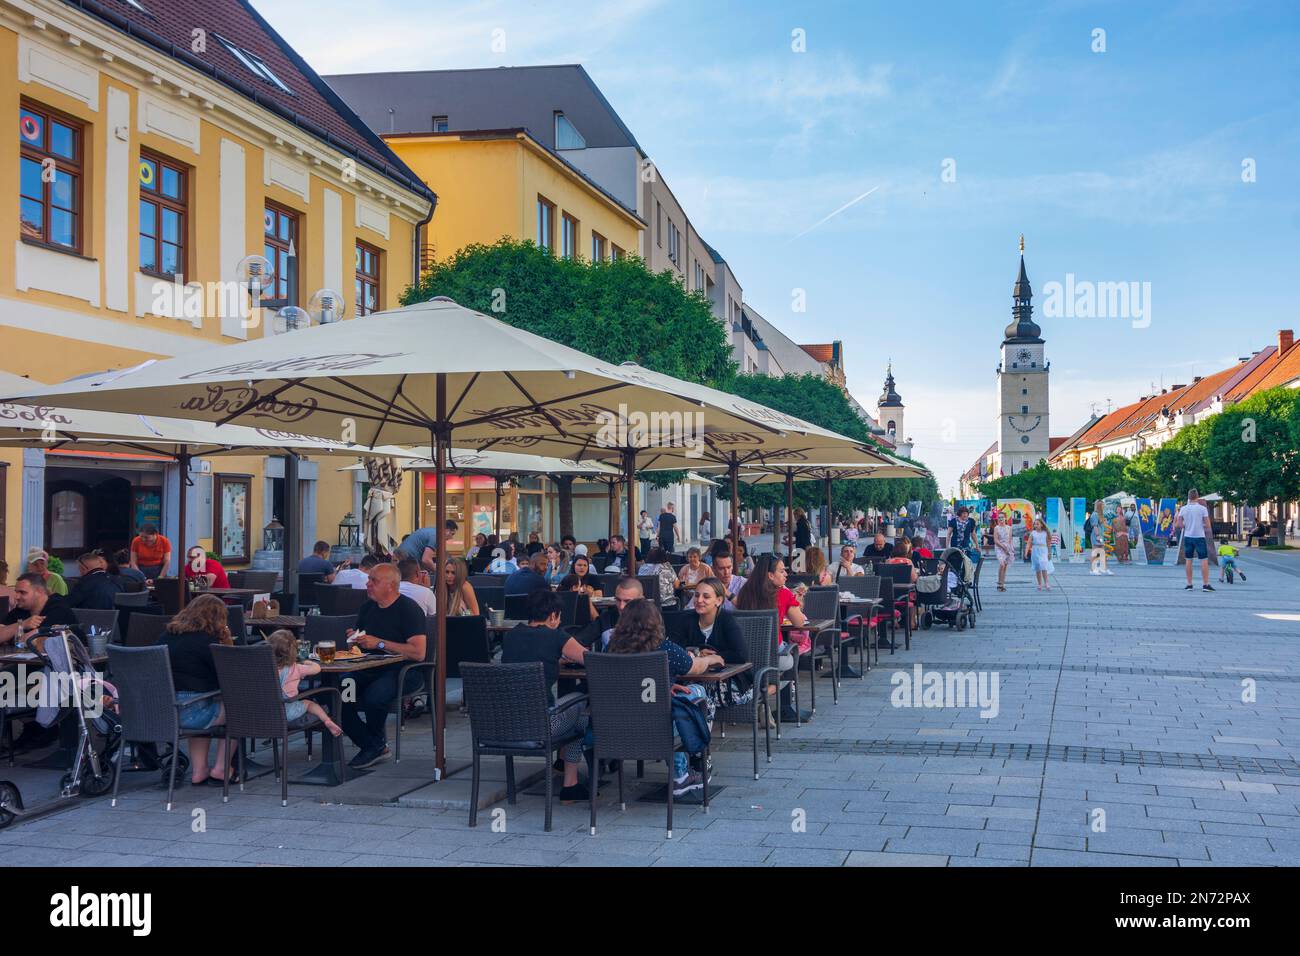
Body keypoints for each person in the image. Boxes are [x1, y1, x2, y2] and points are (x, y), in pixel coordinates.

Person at [611, 597, 719, 796]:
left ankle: (682, 773)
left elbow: (629, 685)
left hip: (616, 730)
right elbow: (695, 667)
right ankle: (689, 765)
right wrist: (712, 658)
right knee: (697, 692)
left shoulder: (610, 649)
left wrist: (665, 685)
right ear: (655, 622)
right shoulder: (665, 649)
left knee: (673, 701)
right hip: (658, 730)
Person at [500, 589, 590, 802]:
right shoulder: (556, 636)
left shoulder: (511, 636)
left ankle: (560, 764)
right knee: (581, 707)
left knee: (570, 710)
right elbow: (590, 659)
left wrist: (554, 660)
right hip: (542, 727)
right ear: (553, 615)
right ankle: (570, 784)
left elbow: (527, 657)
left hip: (504, 726)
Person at [343, 563, 429, 768]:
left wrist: (379, 643)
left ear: (390, 585)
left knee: (375, 696)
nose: (368, 584)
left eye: (374, 580)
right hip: (367, 668)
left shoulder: (409, 609)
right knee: (339, 690)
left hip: (403, 671)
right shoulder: (367, 608)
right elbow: (360, 642)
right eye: (369, 579)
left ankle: (373, 747)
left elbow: (419, 653)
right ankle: (373, 744)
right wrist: (355, 639)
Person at [158, 594, 235, 785]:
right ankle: (221, 769)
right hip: (191, 712)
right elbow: (227, 676)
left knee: (203, 703)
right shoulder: (206, 642)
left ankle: (199, 771)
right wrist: (227, 643)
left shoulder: (166, 636)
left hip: (164, 711)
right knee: (241, 709)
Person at [734, 554, 812, 721]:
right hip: (772, 655)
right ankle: (762, 694)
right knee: (790, 661)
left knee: (772, 668)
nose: (786, 574)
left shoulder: (745, 591)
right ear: (770, 575)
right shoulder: (782, 593)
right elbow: (799, 622)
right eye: (782, 571)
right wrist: (796, 600)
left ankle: (757, 695)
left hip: (743, 657)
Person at [266, 629, 342, 737]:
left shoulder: (263, 668)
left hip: (264, 711)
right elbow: (317, 669)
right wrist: (308, 662)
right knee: (309, 703)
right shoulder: (296, 668)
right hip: (286, 712)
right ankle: (326, 720)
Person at [1, 572, 78, 646]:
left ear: (40, 591)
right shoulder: (21, 609)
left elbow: (34, 641)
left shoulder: (58, 609)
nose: (17, 597)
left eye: (22, 592)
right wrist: (23, 625)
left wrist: (10, 635)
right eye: (16, 592)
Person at [1174, 489, 1214, 592]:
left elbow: (1178, 525)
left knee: (1188, 560)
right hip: (1200, 537)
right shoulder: (1202, 509)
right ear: (1197, 496)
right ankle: (1205, 585)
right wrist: (1200, 525)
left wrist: (1186, 525)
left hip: (1188, 536)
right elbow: (1208, 525)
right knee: (1204, 560)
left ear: (1188, 497)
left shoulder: (1183, 509)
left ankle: (1189, 584)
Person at [558, 554, 602, 626]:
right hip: (570, 611)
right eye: (579, 565)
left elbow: (599, 596)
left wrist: (591, 594)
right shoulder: (568, 578)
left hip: (591, 608)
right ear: (573, 566)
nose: (582, 568)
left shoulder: (593, 578)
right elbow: (562, 594)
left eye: (585, 565)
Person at [1025, 517, 1052, 591]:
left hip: (1043, 550)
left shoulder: (1045, 533)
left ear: (1041, 525)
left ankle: (1046, 582)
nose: (1035, 525)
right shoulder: (1033, 533)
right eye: (1035, 524)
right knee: (1037, 567)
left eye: (1037, 524)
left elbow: (1048, 544)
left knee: (1043, 565)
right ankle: (1039, 583)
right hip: (1035, 551)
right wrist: (1026, 552)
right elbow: (1028, 543)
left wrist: (1049, 553)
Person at [1085, 501, 1112, 575]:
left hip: (1100, 535)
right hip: (1096, 535)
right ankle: (1093, 569)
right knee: (1095, 551)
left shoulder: (1099, 515)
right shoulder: (1094, 515)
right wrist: (1098, 536)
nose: (1104, 507)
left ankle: (1103, 568)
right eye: (1103, 506)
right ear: (1099, 506)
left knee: (1102, 551)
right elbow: (1095, 526)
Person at [992, 511, 1014, 592]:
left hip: (1007, 547)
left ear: (1005, 518)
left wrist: (1010, 549)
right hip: (999, 547)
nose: (1000, 519)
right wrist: (1003, 547)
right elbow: (995, 540)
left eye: (1002, 517)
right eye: (999, 517)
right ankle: (999, 582)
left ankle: (1002, 584)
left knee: (1005, 566)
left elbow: (1010, 539)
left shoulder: (1009, 528)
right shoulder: (996, 528)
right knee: (1001, 564)